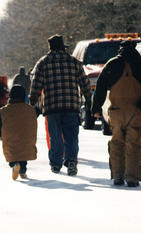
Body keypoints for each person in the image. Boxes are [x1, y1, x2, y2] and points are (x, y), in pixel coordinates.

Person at [91, 40, 141, 187]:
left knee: (117, 143)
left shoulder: (112, 64)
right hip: (137, 111)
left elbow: (100, 87)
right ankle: (132, 178)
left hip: (116, 112)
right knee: (134, 144)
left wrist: (95, 108)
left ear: (120, 49)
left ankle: (118, 176)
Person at [29, 34, 91, 176]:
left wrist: (33, 101)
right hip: (71, 105)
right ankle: (71, 162)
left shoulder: (43, 63)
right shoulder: (74, 62)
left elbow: (36, 86)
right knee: (71, 136)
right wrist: (89, 100)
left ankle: (56, 164)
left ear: (50, 47)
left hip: (52, 107)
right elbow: (85, 84)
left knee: (55, 136)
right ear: (63, 47)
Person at [0, 85, 37, 180]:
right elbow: (36, 114)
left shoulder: (4, 111)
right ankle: (22, 170)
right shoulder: (30, 110)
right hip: (26, 140)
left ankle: (14, 165)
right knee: (23, 154)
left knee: (12, 154)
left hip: (11, 138)